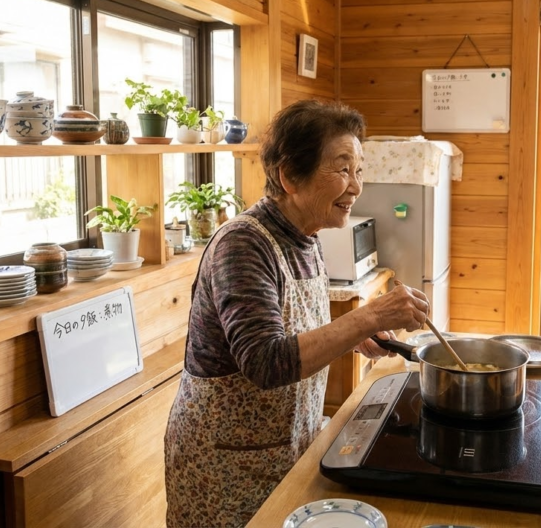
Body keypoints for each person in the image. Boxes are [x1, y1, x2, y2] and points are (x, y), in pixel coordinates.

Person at [165, 100, 430, 527]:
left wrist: (350, 336)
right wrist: (367, 318)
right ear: (289, 175)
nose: (356, 185)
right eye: (342, 169)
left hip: (286, 447)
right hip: (225, 466)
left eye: (359, 170)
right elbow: (266, 362)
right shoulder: (242, 245)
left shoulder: (306, 236)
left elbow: (291, 328)